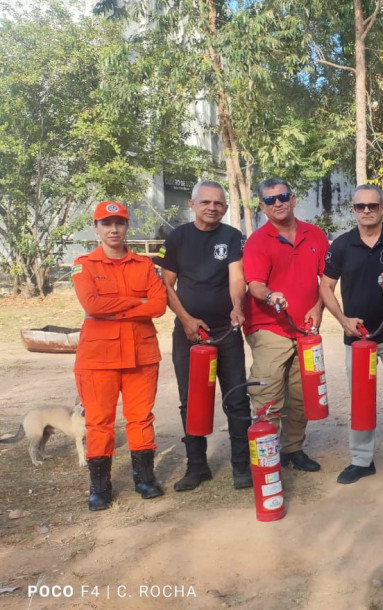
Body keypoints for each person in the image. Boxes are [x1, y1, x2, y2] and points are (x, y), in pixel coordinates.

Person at [320, 185, 383, 491]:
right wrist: (343, 320)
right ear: (353, 210)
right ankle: (362, 460)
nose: (367, 211)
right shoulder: (341, 245)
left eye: (372, 206)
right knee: (360, 402)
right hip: (358, 338)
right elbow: (325, 286)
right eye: (360, 206)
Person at [72, 201, 168, 511]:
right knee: (99, 422)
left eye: (120, 223)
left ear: (127, 227)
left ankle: (144, 478)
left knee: (141, 419)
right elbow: (92, 306)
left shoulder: (143, 265)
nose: (114, 229)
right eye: (106, 223)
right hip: (99, 358)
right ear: (95, 227)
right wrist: (136, 301)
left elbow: (158, 306)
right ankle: (100, 487)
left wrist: (116, 307)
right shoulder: (84, 264)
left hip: (141, 354)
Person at [158, 181, 251, 491]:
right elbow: (166, 284)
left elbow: (236, 277)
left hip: (226, 332)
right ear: (192, 204)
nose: (213, 207)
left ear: (225, 208)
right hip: (188, 335)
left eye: (219, 203)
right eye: (206, 202)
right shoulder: (177, 238)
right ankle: (197, 467)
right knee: (192, 401)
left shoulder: (231, 236)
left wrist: (237, 307)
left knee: (237, 399)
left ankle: (242, 467)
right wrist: (185, 319)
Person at [242, 178, 328, 472]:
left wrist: (318, 309)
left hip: (305, 330)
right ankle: (267, 454)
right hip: (269, 326)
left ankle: (293, 450)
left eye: (283, 197)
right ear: (262, 207)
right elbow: (254, 285)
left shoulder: (315, 235)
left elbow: (326, 282)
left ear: (293, 199)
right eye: (270, 200)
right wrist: (270, 294)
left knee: (302, 393)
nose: (277, 203)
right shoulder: (257, 241)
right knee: (268, 392)